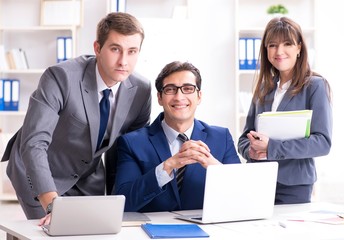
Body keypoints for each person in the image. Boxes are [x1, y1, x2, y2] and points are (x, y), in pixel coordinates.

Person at [0, 12, 151, 220]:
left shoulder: (141, 90)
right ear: (97, 48)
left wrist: (122, 198)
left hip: (88, 176)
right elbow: (34, 142)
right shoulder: (60, 77)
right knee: (51, 230)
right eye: (115, 49)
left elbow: (131, 148)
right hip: (40, 171)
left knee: (95, 231)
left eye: (132, 51)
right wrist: (53, 206)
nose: (123, 61)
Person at [112, 61, 240, 212]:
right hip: (151, 231)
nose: (179, 97)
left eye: (188, 89)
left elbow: (243, 196)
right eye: (170, 89)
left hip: (209, 231)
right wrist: (166, 167)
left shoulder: (221, 138)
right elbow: (123, 203)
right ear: (159, 97)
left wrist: (214, 167)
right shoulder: (132, 142)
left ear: (199, 96)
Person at [237, 17, 332, 204]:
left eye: (287, 44)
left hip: (294, 185)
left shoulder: (315, 86)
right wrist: (250, 151)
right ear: (266, 50)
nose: (279, 51)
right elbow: (244, 137)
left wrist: (271, 148)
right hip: (258, 181)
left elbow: (322, 142)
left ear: (299, 48)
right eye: (272, 45)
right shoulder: (263, 88)